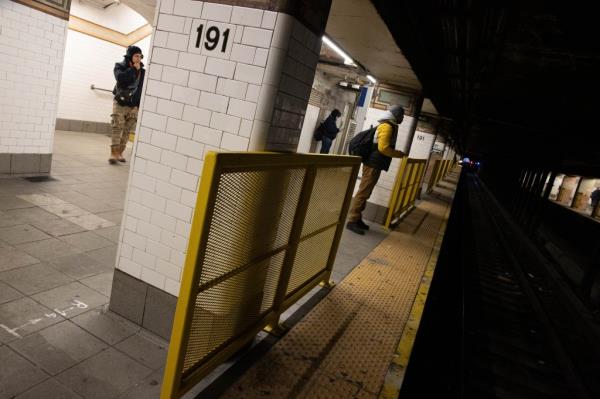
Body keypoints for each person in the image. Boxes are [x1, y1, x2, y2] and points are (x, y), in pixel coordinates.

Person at [346, 105, 406, 234]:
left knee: (366, 193)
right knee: (363, 193)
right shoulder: (387, 126)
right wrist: (398, 154)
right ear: (396, 115)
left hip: (375, 164)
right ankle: (352, 220)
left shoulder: (389, 125)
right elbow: (383, 148)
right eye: (402, 115)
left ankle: (357, 218)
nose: (403, 118)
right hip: (372, 165)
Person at [109, 45, 145, 164]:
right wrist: (133, 69)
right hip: (120, 102)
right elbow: (121, 79)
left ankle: (120, 153)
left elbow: (142, 89)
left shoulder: (143, 72)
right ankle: (113, 153)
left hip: (133, 105)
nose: (139, 58)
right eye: (136, 56)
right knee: (117, 127)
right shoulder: (120, 66)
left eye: (140, 56)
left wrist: (138, 105)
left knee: (127, 129)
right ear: (130, 56)